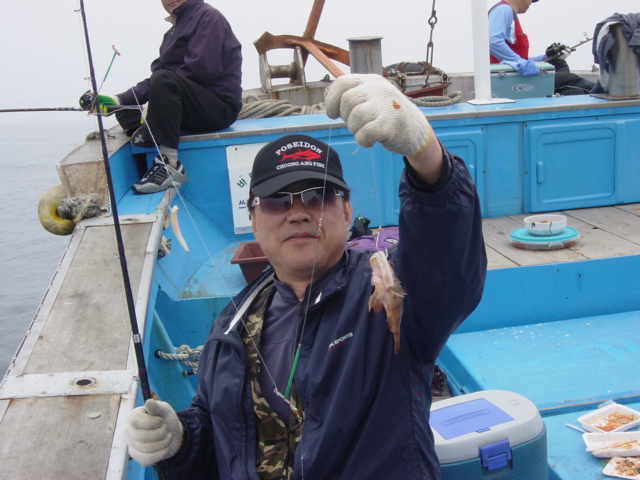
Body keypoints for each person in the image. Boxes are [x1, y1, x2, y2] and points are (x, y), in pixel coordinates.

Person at [125, 74, 487, 479]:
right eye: (277, 201)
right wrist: (181, 442)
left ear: (347, 212)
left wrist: (427, 155)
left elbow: (446, 262)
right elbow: (222, 438)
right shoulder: (229, 328)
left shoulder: (395, 287)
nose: (298, 212)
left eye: (318, 196)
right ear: (254, 221)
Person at [83, 0, 242, 194]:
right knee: (126, 110)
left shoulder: (209, 17)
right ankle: (148, 131)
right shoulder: (172, 32)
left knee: (163, 80)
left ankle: (169, 163)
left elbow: (200, 70)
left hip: (219, 108)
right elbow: (158, 79)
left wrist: (156, 102)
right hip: (192, 105)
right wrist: (118, 101)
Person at [489, 0, 595, 95]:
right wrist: (518, 61)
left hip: (516, 75)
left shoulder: (509, 14)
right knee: (572, 80)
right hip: (507, 79)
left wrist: (548, 56)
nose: (531, 3)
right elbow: (493, 41)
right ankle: (600, 91)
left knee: (558, 63)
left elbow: (523, 61)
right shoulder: (503, 9)